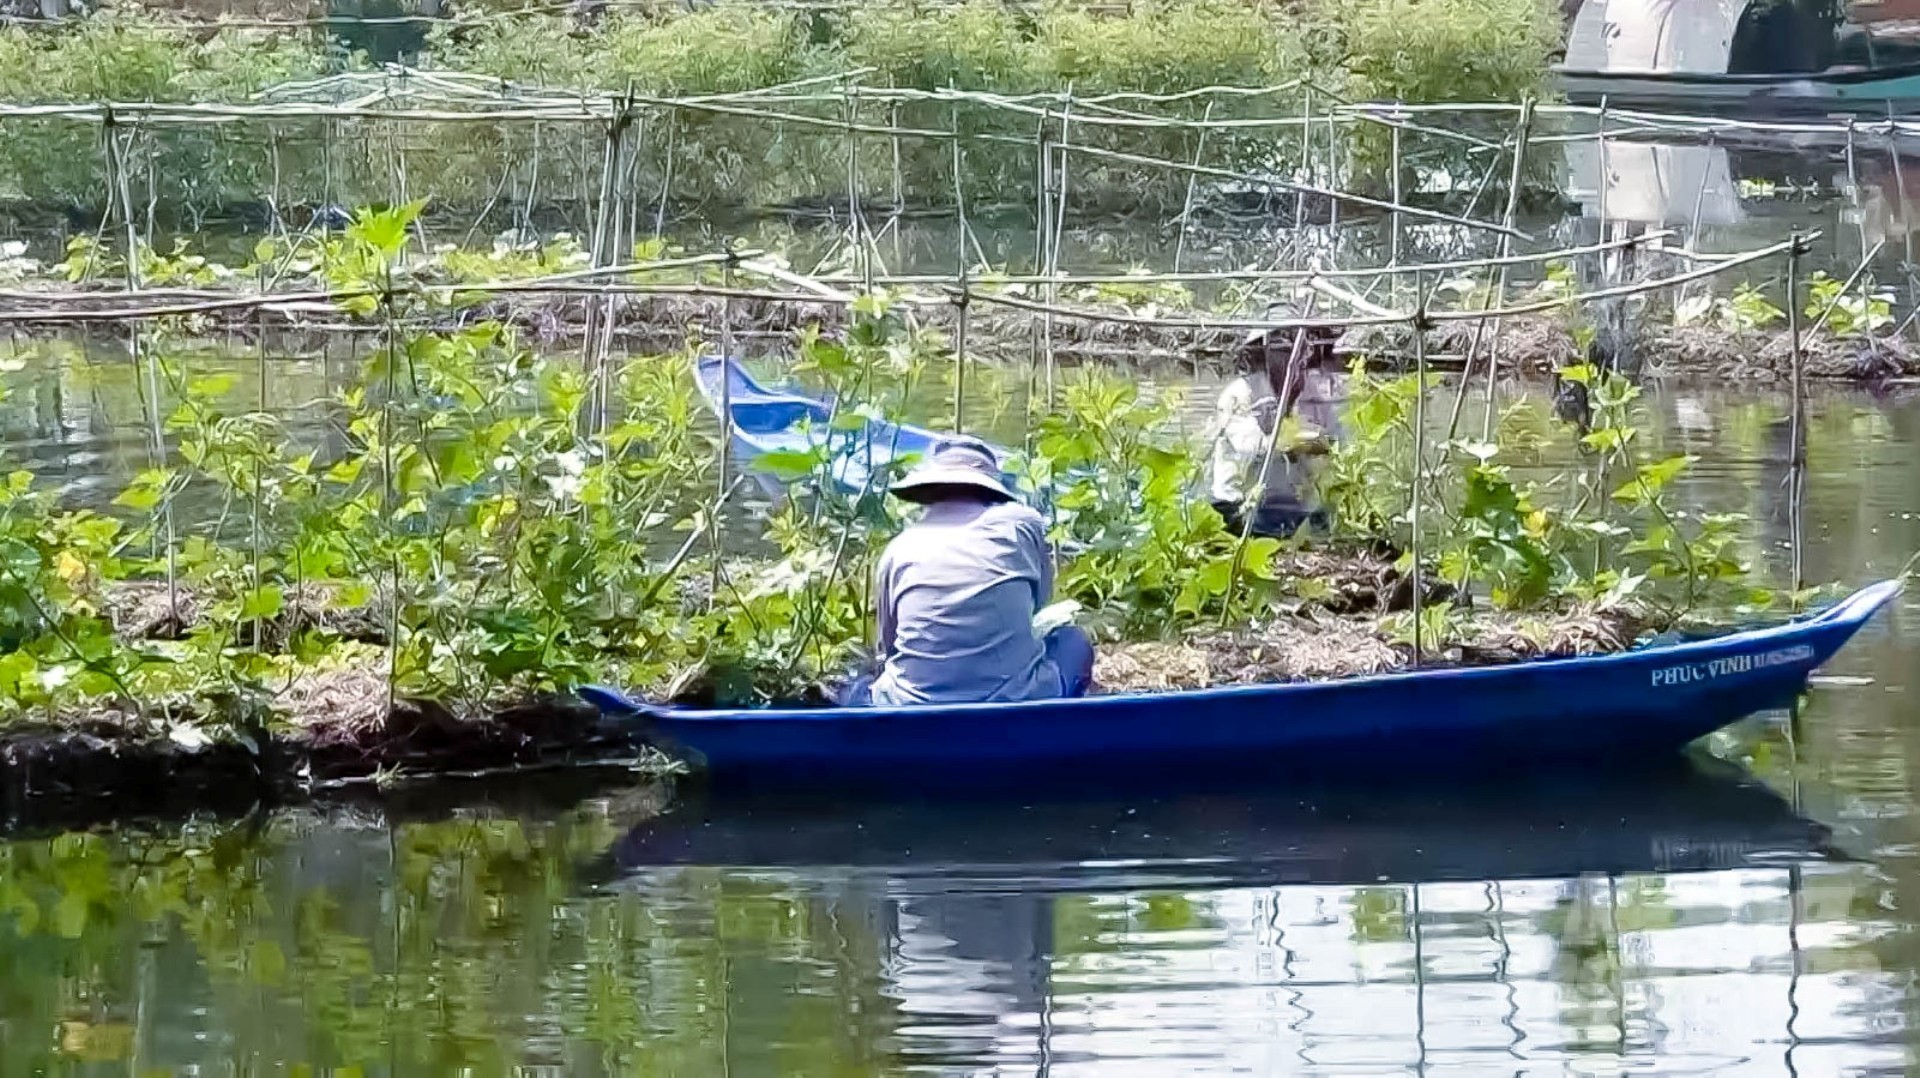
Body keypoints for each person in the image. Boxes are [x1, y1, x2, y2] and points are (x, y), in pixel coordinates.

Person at [841, 436, 1095, 707]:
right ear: (990, 491)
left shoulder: (897, 550)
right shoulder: (1021, 524)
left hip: (912, 706)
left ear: (928, 492)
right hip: (1016, 700)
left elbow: (889, 648)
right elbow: (1040, 601)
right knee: (1073, 641)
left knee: (855, 684)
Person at [1206, 325, 1344, 537]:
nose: (1296, 354)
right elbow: (1254, 446)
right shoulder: (1239, 394)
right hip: (1239, 506)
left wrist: (1326, 444)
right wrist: (1302, 442)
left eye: (1302, 345)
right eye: (1284, 346)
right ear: (1264, 352)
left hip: (1287, 506)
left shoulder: (1310, 394)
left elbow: (1337, 438)